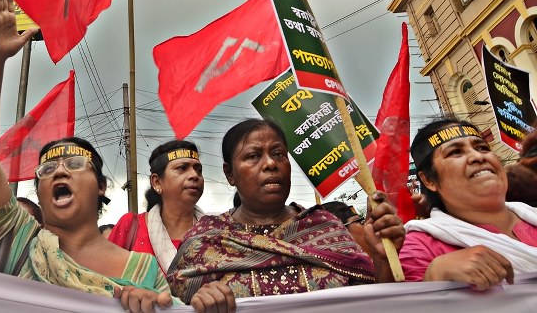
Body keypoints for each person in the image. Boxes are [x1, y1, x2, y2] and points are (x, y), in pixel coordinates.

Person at [0, 0, 232, 313]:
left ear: (101, 186)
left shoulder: (144, 271)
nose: (60, 169)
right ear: (40, 190)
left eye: (75, 164)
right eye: (47, 170)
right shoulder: (19, 245)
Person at [168, 118, 405, 302]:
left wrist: (383, 260)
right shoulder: (207, 238)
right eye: (253, 156)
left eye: (279, 153)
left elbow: (377, 304)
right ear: (230, 174)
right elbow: (174, 300)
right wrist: (201, 301)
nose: (271, 163)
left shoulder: (326, 226)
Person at [399, 118, 537, 288]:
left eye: (482, 148)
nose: (478, 156)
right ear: (428, 180)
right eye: (455, 152)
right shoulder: (419, 246)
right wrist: (435, 276)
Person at [109, 140, 205, 274]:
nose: (194, 175)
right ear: (157, 182)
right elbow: (104, 284)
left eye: (198, 169)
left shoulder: (216, 230)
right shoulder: (131, 226)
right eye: (182, 168)